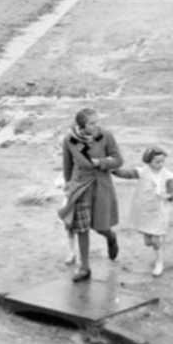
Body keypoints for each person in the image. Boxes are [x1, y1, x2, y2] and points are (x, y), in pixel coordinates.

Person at [59, 107, 124, 282]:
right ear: (82, 125)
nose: (97, 126)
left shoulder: (106, 136)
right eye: (92, 123)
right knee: (81, 228)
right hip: (80, 185)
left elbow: (118, 160)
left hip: (101, 185)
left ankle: (111, 237)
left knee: (100, 226)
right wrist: (68, 184)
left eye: (97, 121)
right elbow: (67, 163)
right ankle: (85, 267)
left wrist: (100, 162)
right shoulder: (70, 140)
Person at [112, 145, 173, 276]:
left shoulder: (167, 176)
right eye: (157, 162)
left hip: (160, 211)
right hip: (145, 210)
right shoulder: (143, 172)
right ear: (149, 162)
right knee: (148, 241)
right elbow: (127, 173)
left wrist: (166, 196)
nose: (160, 164)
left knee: (155, 239)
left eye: (162, 161)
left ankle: (159, 262)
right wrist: (112, 169)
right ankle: (156, 242)